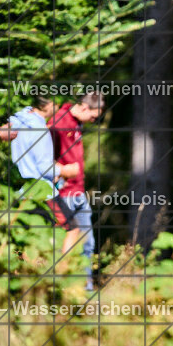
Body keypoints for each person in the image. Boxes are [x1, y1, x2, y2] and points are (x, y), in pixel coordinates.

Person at [48, 92, 104, 291]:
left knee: (87, 245)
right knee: (70, 244)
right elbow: (42, 155)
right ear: (84, 108)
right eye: (93, 116)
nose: (93, 120)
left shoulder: (75, 123)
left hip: (78, 192)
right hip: (64, 194)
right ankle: (69, 290)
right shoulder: (59, 123)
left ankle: (85, 289)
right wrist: (60, 172)